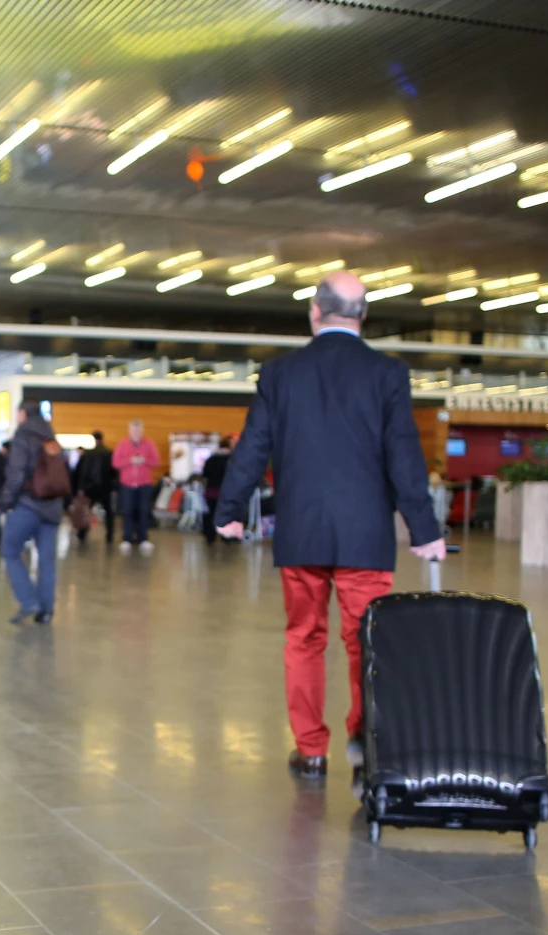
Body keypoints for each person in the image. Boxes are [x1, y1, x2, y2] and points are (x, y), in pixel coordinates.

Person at [216, 272, 445, 781]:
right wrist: (425, 530)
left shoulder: (281, 374)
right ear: (363, 315)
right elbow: (403, 455)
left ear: (315, 312)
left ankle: (311, 750)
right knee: (367, 642)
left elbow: (252, 446)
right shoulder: (387, 374)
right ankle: (366, 744)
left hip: (302, 534)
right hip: (367, 536)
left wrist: (230, 511)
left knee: (304, 637)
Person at [0, 401, 62, 624]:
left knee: (9, 550)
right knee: (47, 560)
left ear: (23, 414)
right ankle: (46, 611)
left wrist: (5, 503)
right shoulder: (51, 438)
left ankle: (28, 600)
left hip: (28, 504)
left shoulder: (23, 436)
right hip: (52, 506)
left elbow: (16, 474)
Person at [112, 419, 160, 554]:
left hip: (144, 484)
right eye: (133, 430)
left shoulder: (149, 444)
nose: (136, 433)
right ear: (129, 431)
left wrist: (145, 460)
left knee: (143, 511)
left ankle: (143, 539)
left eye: (138, 430)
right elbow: (116, 463)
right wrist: (130, 461)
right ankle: (126, 538)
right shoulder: (122, 444)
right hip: (127, 484)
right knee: (128, 511)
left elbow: (156, 461)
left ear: (142, 431)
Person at [76, 430, 117, 544]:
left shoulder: (87, 454)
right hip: (105, 487)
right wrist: (114, 487)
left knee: (86, 510)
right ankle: (109, 535)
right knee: (109, 512)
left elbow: (81, 472)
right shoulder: (109, 453)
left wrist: (80, 487)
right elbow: (114, 472)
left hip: (90, 487)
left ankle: (82, 534)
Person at [200, 435, 233, 544]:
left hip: (211, 490)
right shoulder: (232, 460)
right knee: (227, 513)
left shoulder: (211, 459)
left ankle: (210, 536)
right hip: (227, 491)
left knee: (211, 513)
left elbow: (205, 475)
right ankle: (226, 536)